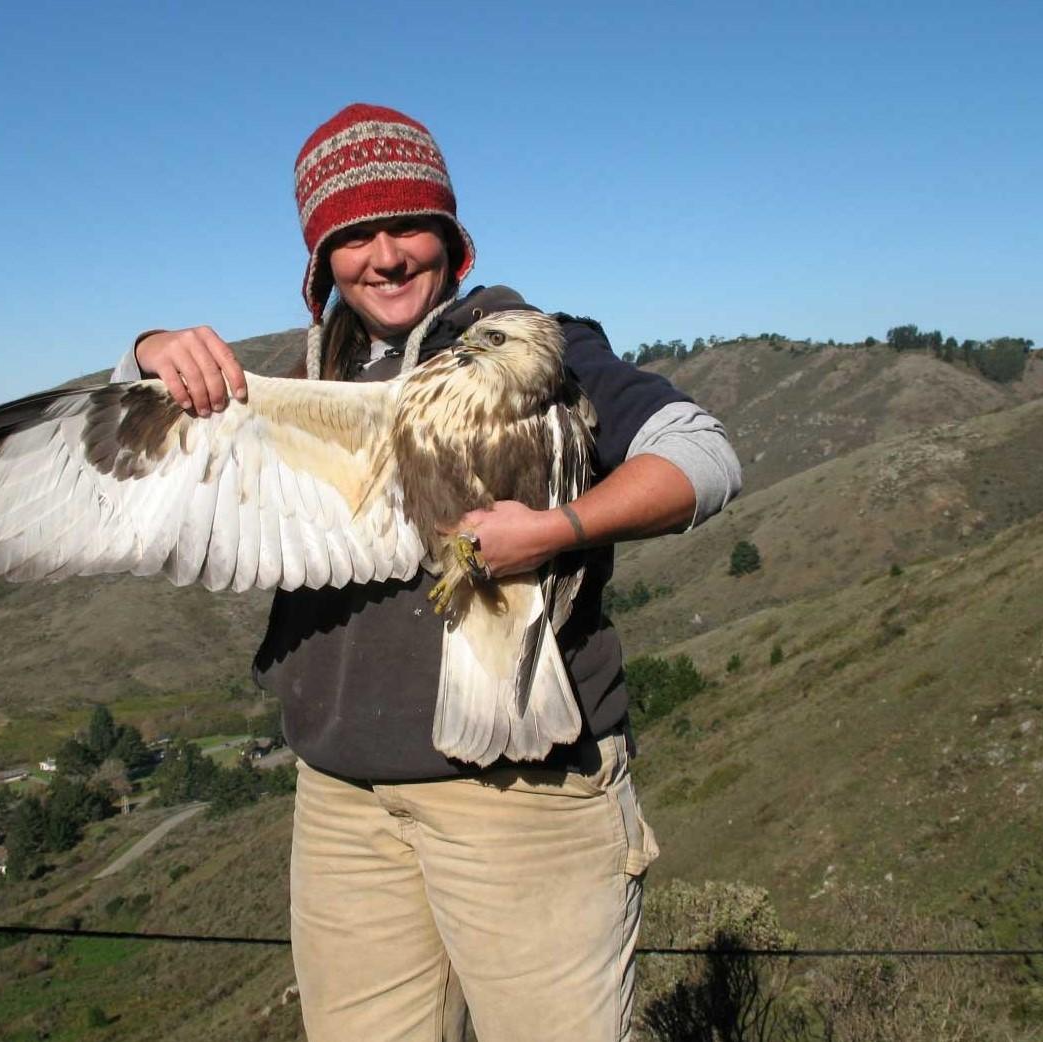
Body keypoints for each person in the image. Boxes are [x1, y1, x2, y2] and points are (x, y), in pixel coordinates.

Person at [112, 103, 741, 1042]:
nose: (386, 255)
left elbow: (705, 460)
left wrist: (557, 528)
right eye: (353, 236)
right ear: (322, 262)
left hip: (523, 798)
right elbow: (127, 454)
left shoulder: (541, 346)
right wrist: (148, 352)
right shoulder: (314, 376)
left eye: (407, 225)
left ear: (453, 240)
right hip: (342, 801)